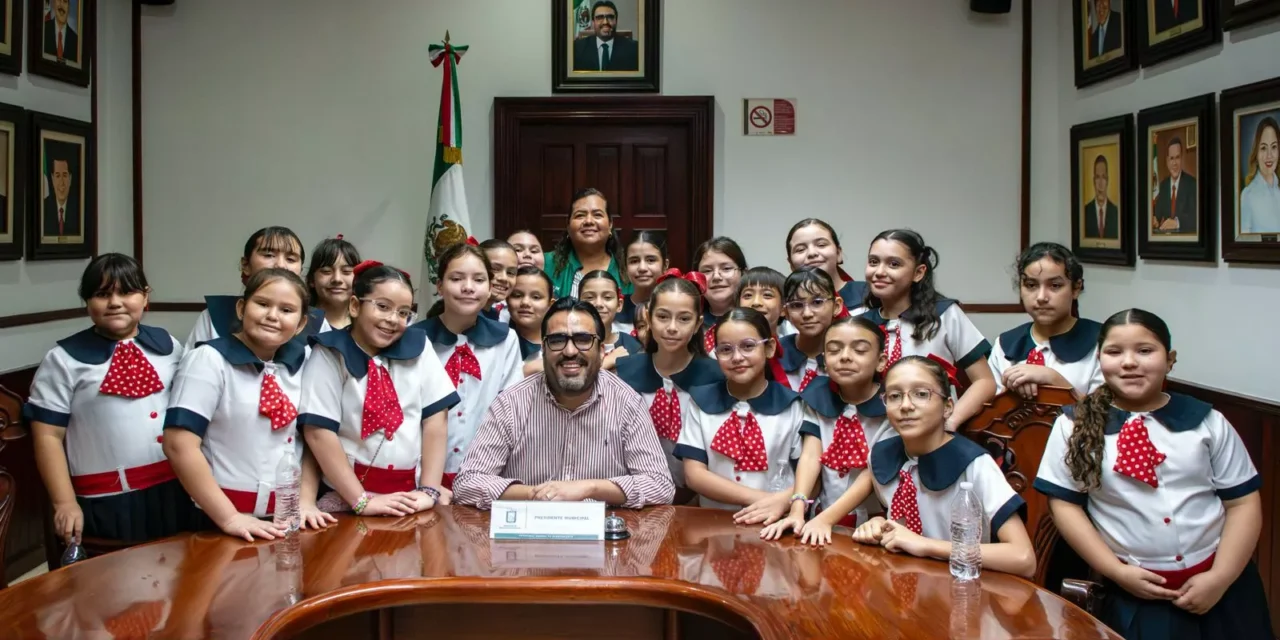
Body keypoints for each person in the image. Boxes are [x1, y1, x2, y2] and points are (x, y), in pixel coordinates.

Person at [1035, 309, 1271, 638]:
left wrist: (1220, 578)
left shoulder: (1206, 421)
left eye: (1145, 351)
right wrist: (1115, 570)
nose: (1129, 362)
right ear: (1099, 359)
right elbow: (1064, 503)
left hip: (1223, 589)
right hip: (1135, 595)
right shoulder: (1072, 425)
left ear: (1170, 359)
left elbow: (1242, 503)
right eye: (1115, 352)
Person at [26, 254, 195, 544]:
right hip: (109, 500)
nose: (115, 302)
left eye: (127, 292)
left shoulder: (168, 345)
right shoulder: (63, 360)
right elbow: (48, 436)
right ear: (87, 301)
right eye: (102, 294)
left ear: (145, 296)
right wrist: (64, 503)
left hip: (177, 488)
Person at [452, 298, 676, 509]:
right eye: (558, 341)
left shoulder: (627, 404)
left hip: (604, 540)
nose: (570, 351)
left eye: (583, 340)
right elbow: (467, 484)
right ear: (544, 350)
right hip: (528, 538)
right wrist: (537, 494)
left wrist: (590, 487)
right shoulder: (511, 404)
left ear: (601, 351)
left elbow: (659, 485)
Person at [164, 269, 332, 541]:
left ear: (301, 324)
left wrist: (306, 500)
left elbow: (314, 437)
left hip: (288, 517)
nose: (272, 316)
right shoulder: (208, 359)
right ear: (242, 307)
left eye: (286, 310)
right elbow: (178, 444)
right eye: (262, 304)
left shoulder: (306, 361)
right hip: (220, 518)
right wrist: (229, 518)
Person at [852, 356, 1035, 578]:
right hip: (902, 587)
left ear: (948, 407)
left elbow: (1023, 558)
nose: (906, 406)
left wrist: (926, 545)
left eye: (921, 394)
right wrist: (879, 525)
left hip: (964, 588)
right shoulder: (880, 455)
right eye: (894, 396)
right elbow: (899, 529)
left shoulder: (975, 464)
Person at [300, 262, 458, 516]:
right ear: (354, 306)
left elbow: (436, 420)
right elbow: (319, 433)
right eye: (383, 307)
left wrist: (429, 490)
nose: (392, 319)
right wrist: (361, 501)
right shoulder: (330, 352)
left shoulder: (419, 346)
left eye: (404, 312)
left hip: (410, 496)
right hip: (346, 497)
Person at [760, 316, 890, 542]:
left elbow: (870, 474)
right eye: (834, 350)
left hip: (873, 522)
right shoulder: (817, 395)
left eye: (859, 350)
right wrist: (798, 508)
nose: (845, 357)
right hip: (820, 513)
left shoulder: (892, 403)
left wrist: (827, 519)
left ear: (880, 361)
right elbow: (811, 456)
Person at [411, 243, 524, 490]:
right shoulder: (414, 340)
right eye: (456, 278)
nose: (468, 287)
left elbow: (510, 411)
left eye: (479, 279)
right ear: (439, 285)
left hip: (484, 473)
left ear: (489, 286)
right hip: (418, 475)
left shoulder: (505, 340)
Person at [676, 308, 805, 522]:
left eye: (748, 346)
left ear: (770, 347)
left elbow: (811, 476)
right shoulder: (700, 401)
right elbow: (694, 475)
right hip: (715, 524)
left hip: (774, 524)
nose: (737, 357)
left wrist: (783, 502)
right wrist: (767, 501)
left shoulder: (793, 405)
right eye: (726, 349)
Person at [859, 229, 996, 429]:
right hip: (875, 434)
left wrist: (951, 422)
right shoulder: (861, 324)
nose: (879, 271)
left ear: (918, 273)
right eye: (873, 262)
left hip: (934, 434)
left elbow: (984, 381)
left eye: (894, 264)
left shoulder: (944, 315)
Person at [616, 271, 722, 504]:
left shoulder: (717, 377)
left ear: (698, 324)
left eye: (684, 319)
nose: (672, 327)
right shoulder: (624, 372)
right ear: (649, 317)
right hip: (636, 496)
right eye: (663, 316)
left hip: (702, 499)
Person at [990, 242, 1103, 399]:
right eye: (1031, 285)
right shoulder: (1005, 344)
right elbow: (990, 415)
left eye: (1055, 286)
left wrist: (1053, 379)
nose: (1041, 297)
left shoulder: (1102, 343)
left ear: (1076, 288)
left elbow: (1109, 418)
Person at [186, 227, 324, 351]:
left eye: (291, 259)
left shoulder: (319, 323)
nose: (281, 265)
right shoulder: (215, 315)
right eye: (269, 255)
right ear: (245, 265)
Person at [547, 188, 630, 299]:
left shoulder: (628, 268)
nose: (589, 221)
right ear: (568, 225)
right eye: (580, 215)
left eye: (597, 215)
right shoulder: (546, 263)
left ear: (610, 224)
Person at [785, 218, 867, 317]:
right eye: (800, 249)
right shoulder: (786, 306)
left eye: (821, 244)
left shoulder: (870, 294)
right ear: (790, 263)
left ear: (838, 253)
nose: (812, 253)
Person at [777, 267, 842, 392]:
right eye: (796, 305)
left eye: (817, 302)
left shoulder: (848, 355)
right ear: (786, 312)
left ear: (836, 306)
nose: (807, 314)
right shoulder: (776, 354)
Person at [579, 270, 643, 370]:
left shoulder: (633, 347)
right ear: (578, 304)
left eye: (607, 297)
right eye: (589, 297)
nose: (598, 304)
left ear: (619, 305)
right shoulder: (569, 345)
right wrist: (608, 362)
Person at [694, 236, 748, 353]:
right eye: (707, 271)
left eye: (726, 268)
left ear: (743, 273)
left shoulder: (756, 318)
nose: (717, 277)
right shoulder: (691, 322)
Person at [618, 230, 668, 337]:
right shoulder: (616, 310)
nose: (642, 268)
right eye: (634, 261)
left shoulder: (675, 307)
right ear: (626, 267)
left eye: (650, 260)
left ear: (665, 265)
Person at [305, 235, 361, 332]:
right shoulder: (298, 322)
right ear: (311, 280)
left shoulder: (364, 328)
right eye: (326, 271)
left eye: (346, 271)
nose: (337, 279)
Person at [508, 266, 555, 373]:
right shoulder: (499, 342)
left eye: (536, 297)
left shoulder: (563, 342)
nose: (525, 302)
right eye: (517, 295)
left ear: (550, 305)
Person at [572, 1, 639, 72]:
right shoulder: (576, 49)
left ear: (616, 20)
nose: (605, 22)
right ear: (593, 22)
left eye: (610, 17)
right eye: (599, 17)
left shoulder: (634, 49)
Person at [1240, 117, 1280, 235]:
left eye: (1273, 147)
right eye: (1263, 148)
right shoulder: (1247, 196)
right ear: (1256, 153)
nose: (1269, 155)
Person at [1153, 137, 1198, 234]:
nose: (1174, 163)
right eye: (1171, 158)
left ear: (1181, 158)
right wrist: (1155, 220)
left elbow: (1196, 218)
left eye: (1177, 157)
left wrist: (1177, 223)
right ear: (1167, 161)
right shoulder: (1164, 185)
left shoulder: (1192, 184)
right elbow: (1157, 214)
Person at [479, 239, 518, 323]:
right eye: (495, 269)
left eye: (510, 272)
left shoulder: (493, 315)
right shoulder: (464, 316)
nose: (504, 278)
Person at [1084, 155, 1120, 240]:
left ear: (1107, 180)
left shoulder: (1116, 213)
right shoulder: (1085, 213)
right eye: (1097, 177)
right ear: (1093, 181)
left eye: (1103, 177)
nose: (1100, 184)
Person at [42, 157, 78, 237]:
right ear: (52, 178)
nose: (62, 183)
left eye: (65, 175)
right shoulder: (43, 208)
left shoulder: (79, 210)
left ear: (70, 178)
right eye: (57, 176)